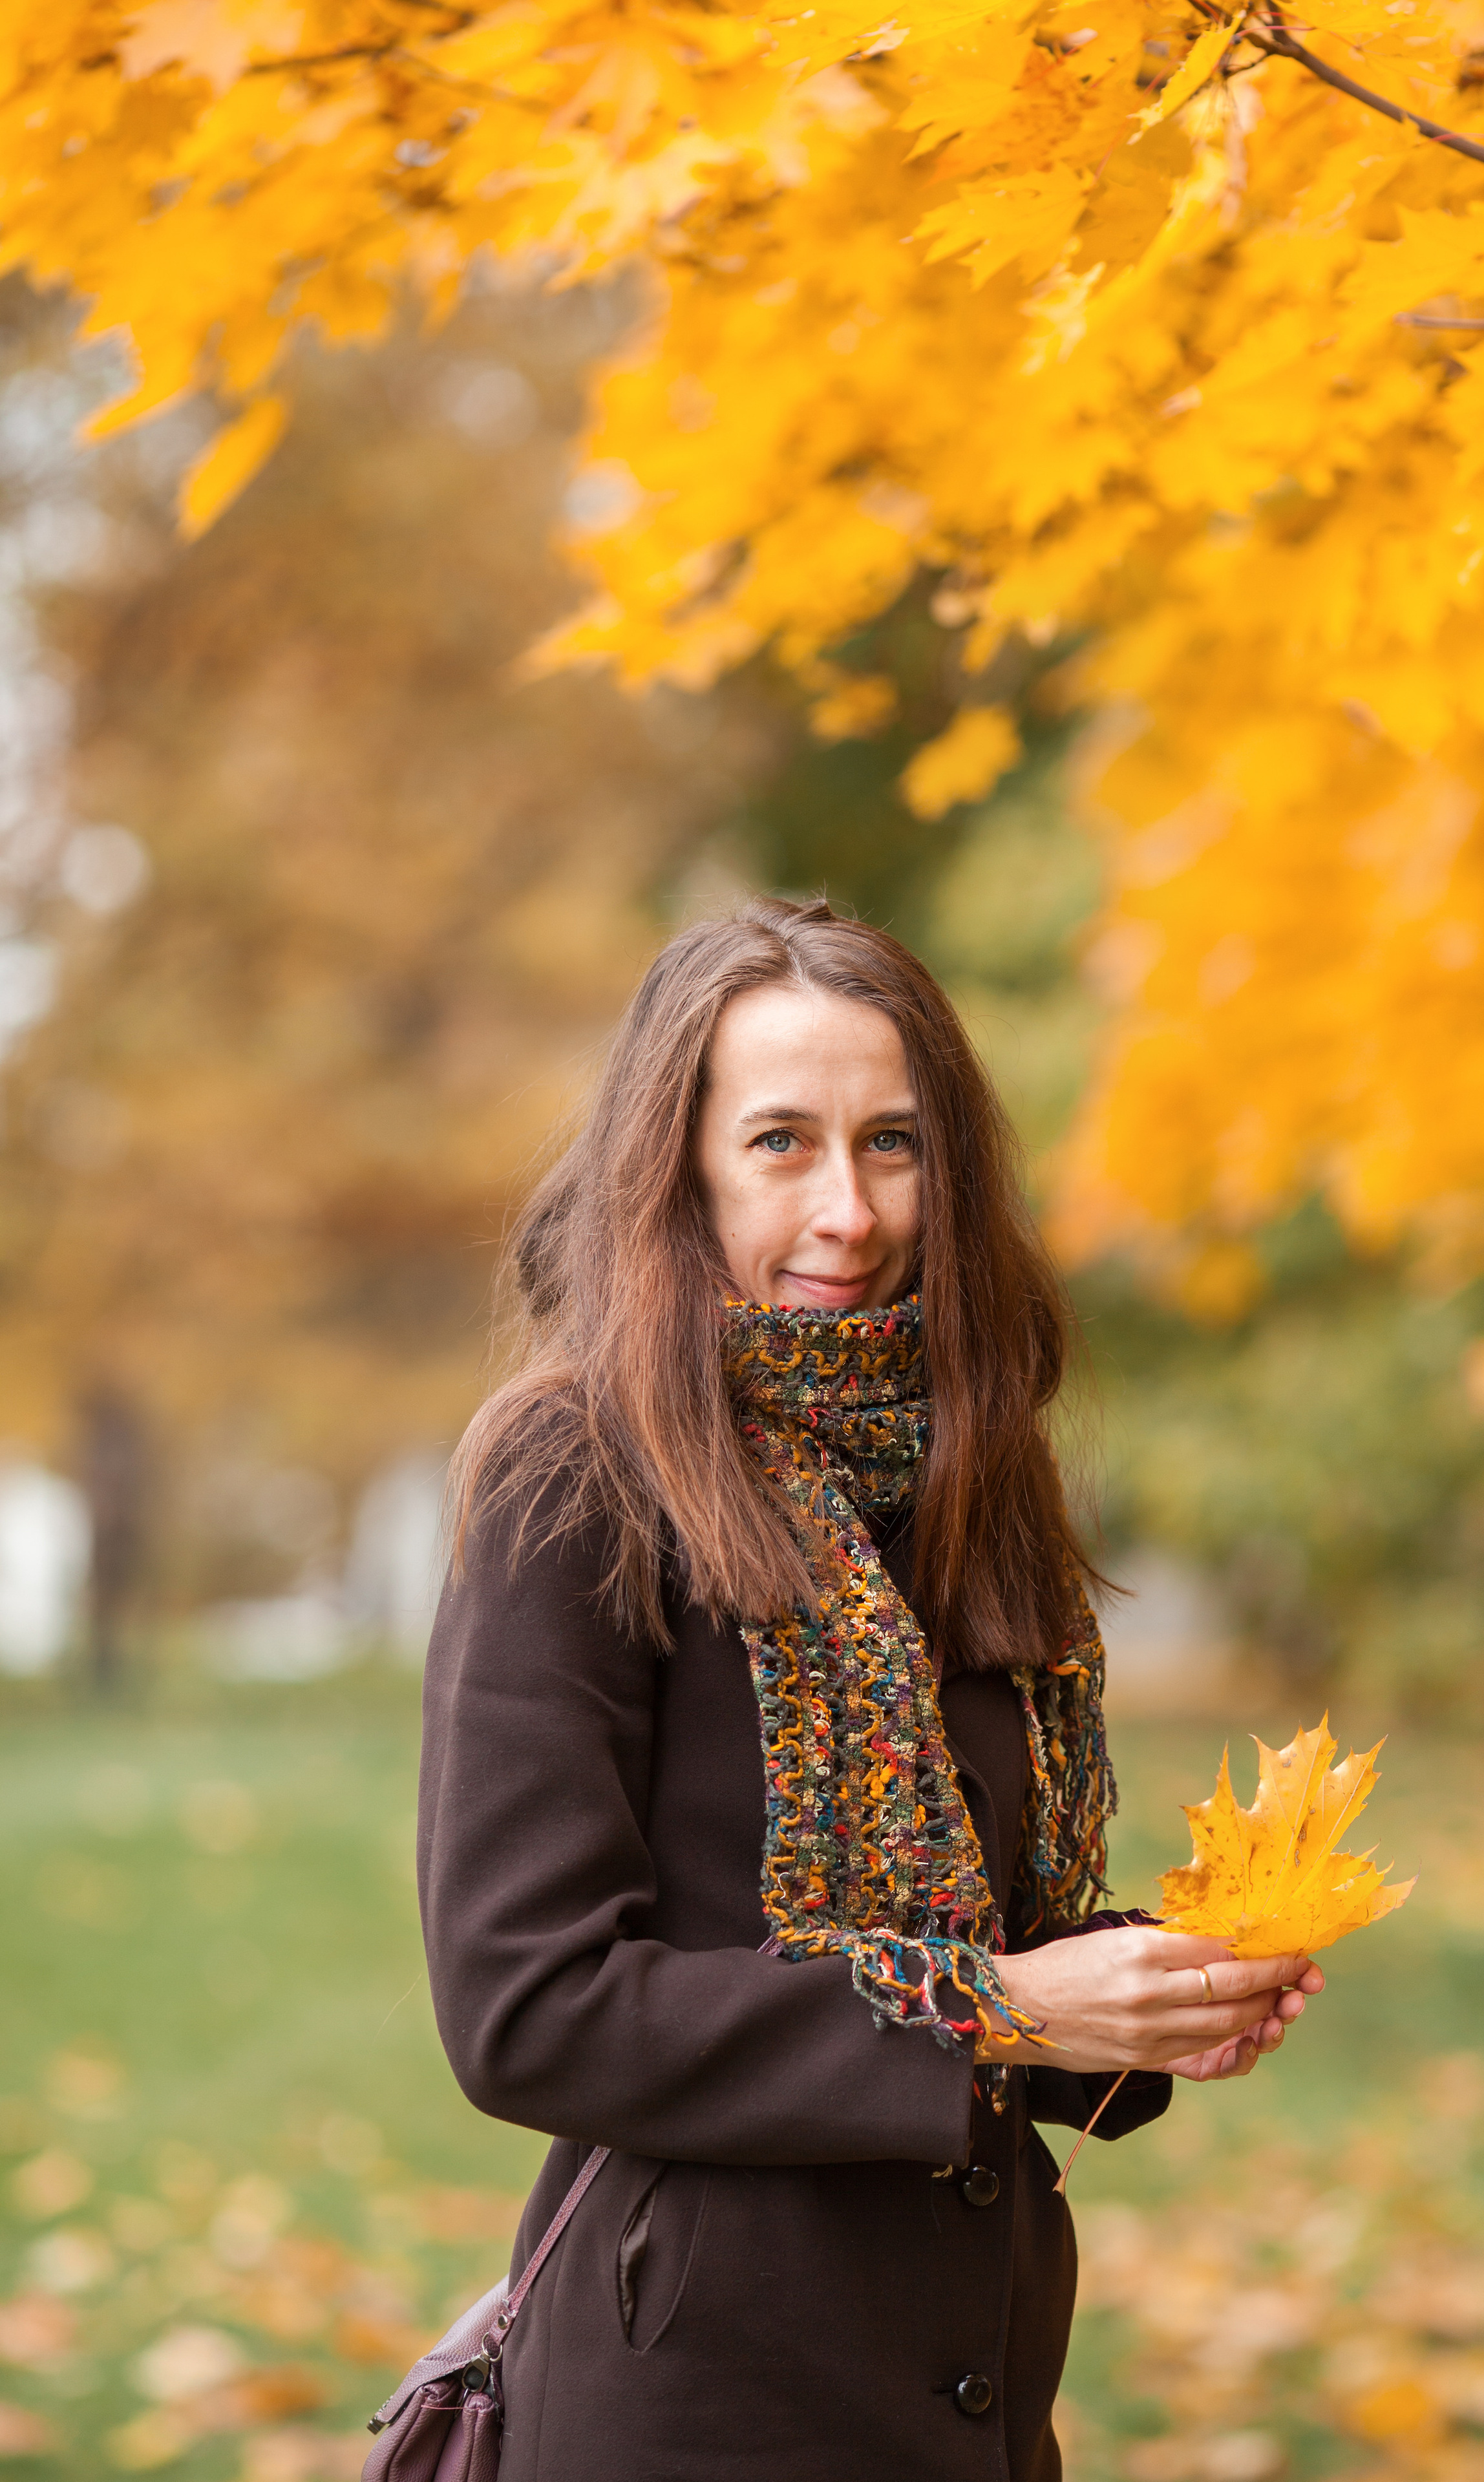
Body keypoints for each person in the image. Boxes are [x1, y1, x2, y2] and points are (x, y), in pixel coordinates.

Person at [420, 896, 1322, 2482]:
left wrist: (1143, 1999)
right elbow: (527, 2010)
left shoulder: (966, 1472)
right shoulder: (579, 1475)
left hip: (969, 2386)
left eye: (891, 1144)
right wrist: (1002, 2013)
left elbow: (991, 1953)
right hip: (695, 2392)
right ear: (678, 1164)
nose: (847, 1210)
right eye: (780, 1142)